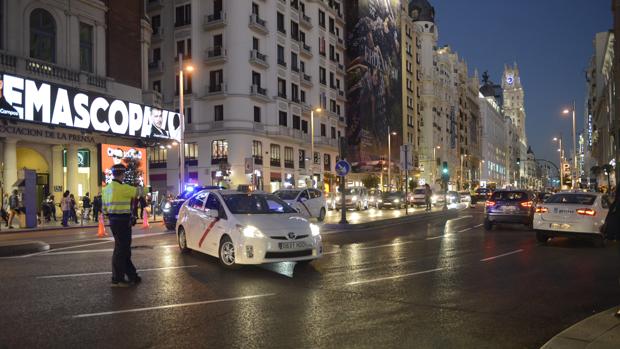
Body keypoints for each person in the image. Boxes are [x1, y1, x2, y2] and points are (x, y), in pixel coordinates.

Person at [103, 164, 140, 287]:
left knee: (122, 249)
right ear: (122, 174)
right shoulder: (123, 188)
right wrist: (146, 188)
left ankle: (132, 275)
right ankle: (117, 279)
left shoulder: (106, 189)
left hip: (113, 221)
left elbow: (104, 209)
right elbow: (139, 192)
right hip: (123, 221)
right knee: (122, 250)